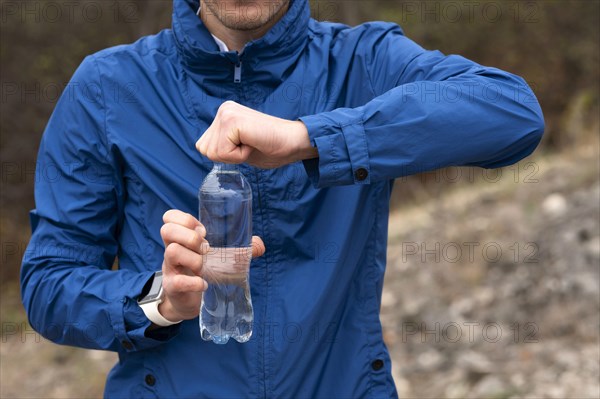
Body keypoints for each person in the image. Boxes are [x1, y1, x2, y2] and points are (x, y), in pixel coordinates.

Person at [21, 0, 544, 397]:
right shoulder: (107, 87)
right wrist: (159, 300)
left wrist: (310, 138)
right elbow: (49, 283)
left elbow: (512, 113)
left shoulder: (363, 62)